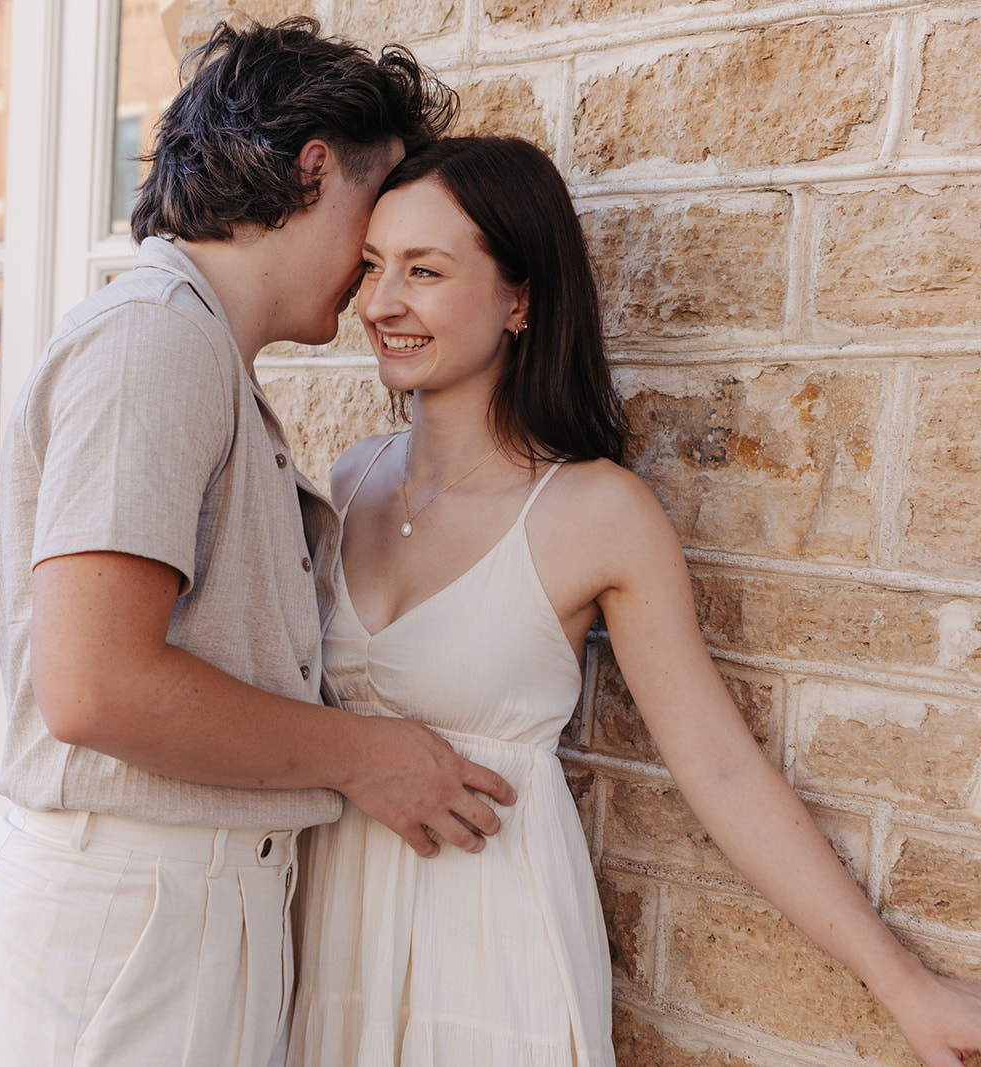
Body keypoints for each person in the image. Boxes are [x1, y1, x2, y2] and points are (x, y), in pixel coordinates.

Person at [287, 136, 981, 1067]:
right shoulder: (349, 478)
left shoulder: (597, 512)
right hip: (324, 931)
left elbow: (722, 769)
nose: (381, 304)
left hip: (489, 951)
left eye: (425, 270)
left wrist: (909, 988)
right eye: (373, 266)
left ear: (520, 296)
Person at [0, 21, 512, 1067]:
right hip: (132, 920)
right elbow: (95, 686)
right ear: (311, 171)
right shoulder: (155, 339)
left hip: (174, 910)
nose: (371, 277)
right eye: (372, 211)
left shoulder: (192, 345)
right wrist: (369, 759)